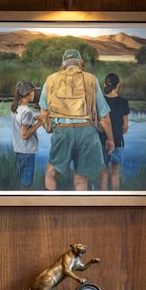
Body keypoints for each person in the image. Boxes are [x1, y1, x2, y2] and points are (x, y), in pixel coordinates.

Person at [39, 48, 114, 191]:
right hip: (87, 132)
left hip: (62, 131)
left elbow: (43, 112)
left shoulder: (51, 80)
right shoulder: (91, 79)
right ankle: (81, 211)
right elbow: (104, 117)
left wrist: (50, 127)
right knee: (81, 179)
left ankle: (52, 208)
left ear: (63, 65)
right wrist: (110, 139)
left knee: (50, 173)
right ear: (81, 63)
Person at [99, 72, 129, 191]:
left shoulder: (100, 102)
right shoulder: (123, 102)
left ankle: (103, 199)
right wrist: (121, 130)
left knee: (104, 172)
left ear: (104, 84)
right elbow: (125, 127)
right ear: (118, 85)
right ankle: (115, 198)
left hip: (101, 141)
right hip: (117, 141)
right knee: (116, 172)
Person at [11, 80, 42, 188]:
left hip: (19, 149)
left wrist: (33, 119)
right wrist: (40, 123)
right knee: (26, 183)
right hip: (27, 152)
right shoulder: (27, 111)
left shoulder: (16, 108)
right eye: (33, 91)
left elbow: (21, 124)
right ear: (28, 94)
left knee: (21, 179)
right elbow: (24, 135)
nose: (34, 93)